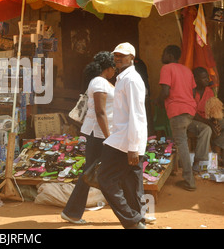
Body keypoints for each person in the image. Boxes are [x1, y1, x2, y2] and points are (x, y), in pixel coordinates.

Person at [97, 42, 148, 229]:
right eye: (116, 55)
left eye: (122, 56)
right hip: (125, 139)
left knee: (105, 178)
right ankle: (137, 221)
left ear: (132, 58)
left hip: (126, 141)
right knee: (131, 185)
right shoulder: (123, 78)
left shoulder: (131, 80)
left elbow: (136, 114)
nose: (118, 58)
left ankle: (131, 220)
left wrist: (133, 147)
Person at [61, 51, 115, 224]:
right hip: (99, 134)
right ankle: (71, 212)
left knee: (91, 172)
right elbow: (100, 112)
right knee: (91, 172)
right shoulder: (99, 82)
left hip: (100, 134)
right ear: (109, 67)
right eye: (114, 66)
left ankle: (72, 211)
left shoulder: (102, 81)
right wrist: (109, 138)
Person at [157, 45, 197, 191]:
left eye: (163, 53)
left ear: (169, 55)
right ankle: (177, 172)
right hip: (189, 110)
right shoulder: (186, 70)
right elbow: (193, 93)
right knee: (181, 141)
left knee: (182, 144)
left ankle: (189, 181)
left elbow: (166, 91)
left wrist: (158, 101)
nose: (162, 56)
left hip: (177, 111)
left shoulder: (166, 68)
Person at [188, 67, 224, 167]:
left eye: (207, 77)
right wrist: (209, 123)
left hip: (206, 119)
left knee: (222, 124)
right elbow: (192, 113)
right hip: (192, 120)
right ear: (195, 79)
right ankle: (198, 161)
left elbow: (212, 110)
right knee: (207, 129)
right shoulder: (191, 92)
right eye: (204, 78)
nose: (207, 80)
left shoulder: (209, 91)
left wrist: (214, 122)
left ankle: (216, 146)